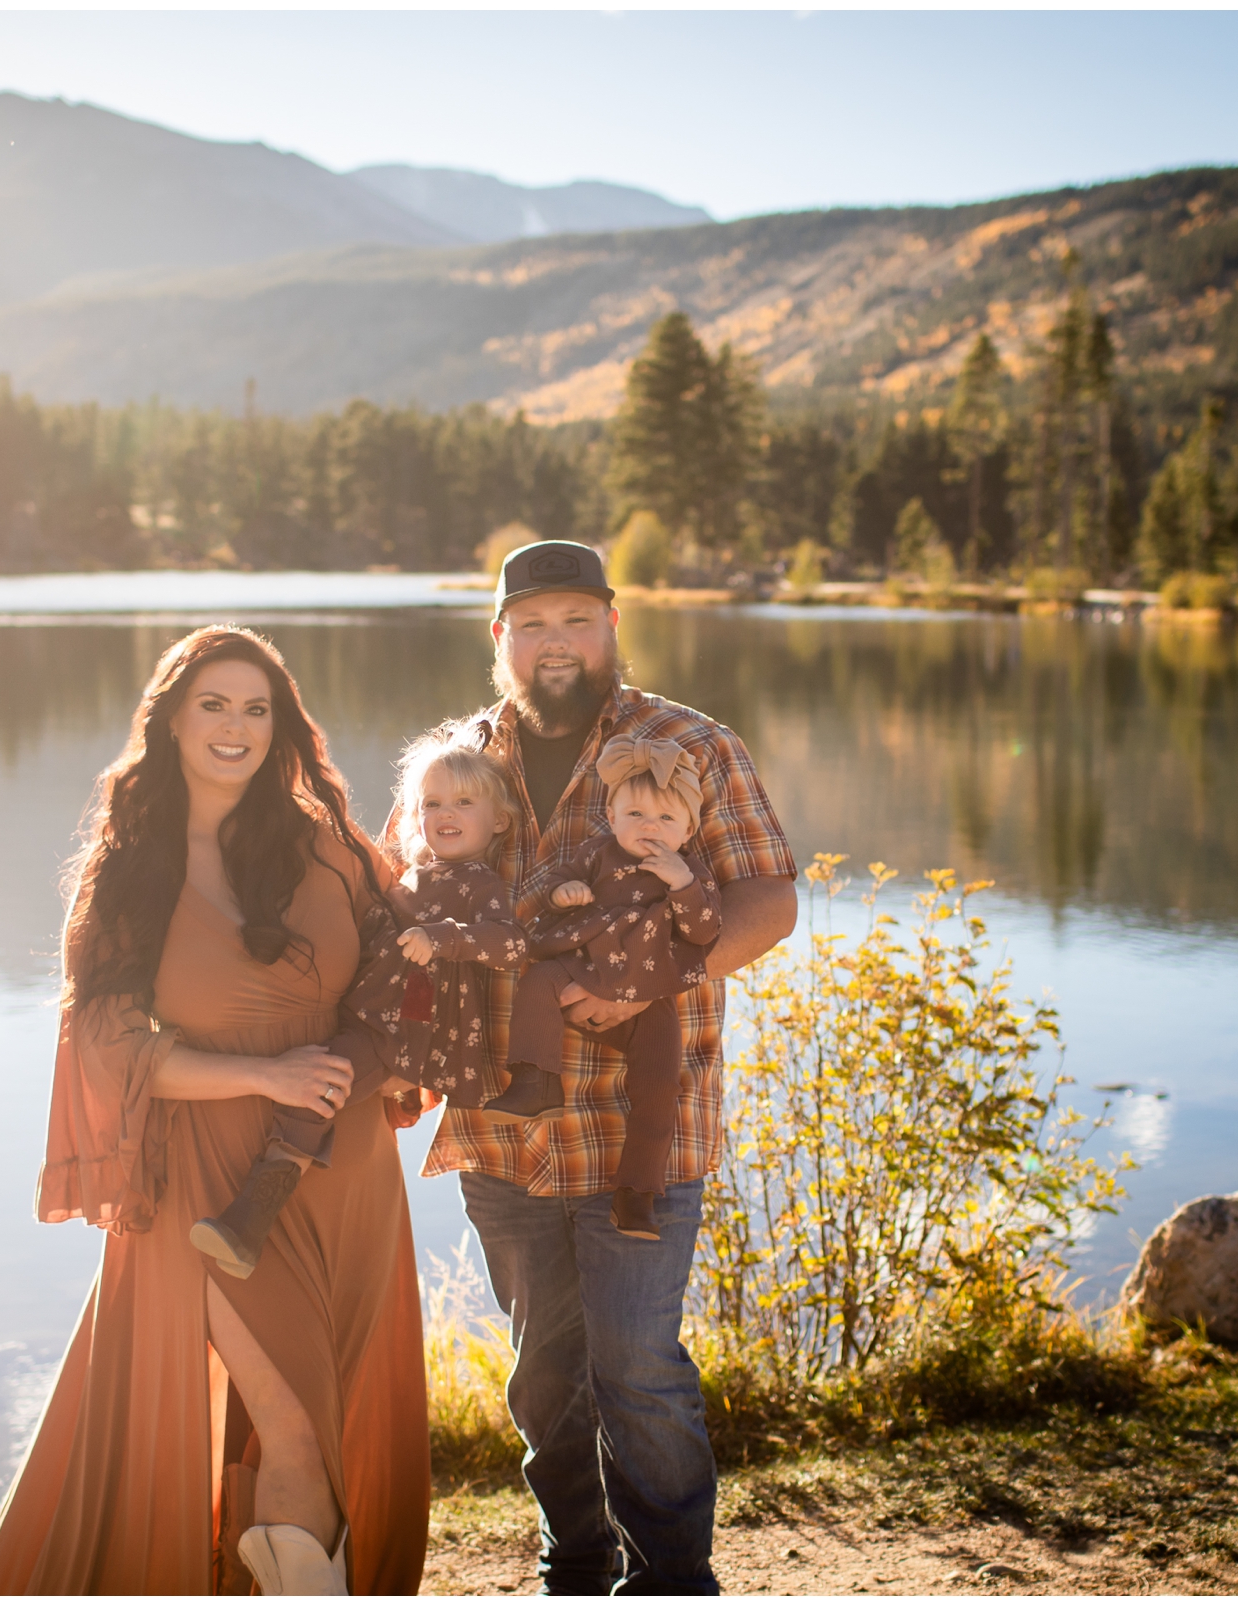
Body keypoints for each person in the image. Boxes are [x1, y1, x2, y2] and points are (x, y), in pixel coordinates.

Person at [0, 626, 428, 1596]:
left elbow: (404, 977)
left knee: (331, 1424)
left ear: (282, 725)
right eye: (214, 705)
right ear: (170, 720)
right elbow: (105, 1052)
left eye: (256, 708)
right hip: (210, 1191)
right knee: (295, 1425)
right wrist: (264, 1078)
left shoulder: (333, 847)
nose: (236, 727)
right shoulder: (129, 871)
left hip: (343, 1176)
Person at [414, 540, 798, 1596]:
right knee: (544, 1378)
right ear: (499, 638)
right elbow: (405, 903)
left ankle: (672, 1582)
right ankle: (573, 1568)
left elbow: (769, 900)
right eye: (531, 624)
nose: (554, 644)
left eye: (575, 620)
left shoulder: (690, 745)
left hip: (643, 1126)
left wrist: (649, 981)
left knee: (638, 1370)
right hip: (503, 1125)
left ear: (612, 625)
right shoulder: (458, 765)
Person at [192, 736, 530, 1279]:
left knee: (324, 1078)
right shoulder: (409, 878)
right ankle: (269, 1207)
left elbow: (512, 945)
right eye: (432, 803)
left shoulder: (479, 885)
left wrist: (445, 938)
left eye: (465, 803)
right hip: (370, 1012)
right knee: (330, 1075)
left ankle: (250, 1218)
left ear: (498, 823)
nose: (446, 814)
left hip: (402, 1030)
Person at [489, 734, 723, 1243]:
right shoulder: (598, 854)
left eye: (665, 820)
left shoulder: (688, 874)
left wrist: (682, 884)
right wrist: (565, 891)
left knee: (660, 1085)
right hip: (584, 967)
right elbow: (556, 887)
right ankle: (535, 1080)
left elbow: (704, 932)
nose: (649, 829)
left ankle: (636, 1192)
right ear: (612, 819)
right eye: (635, 815)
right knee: (538, 983)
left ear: (687, 830)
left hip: (648, 997)